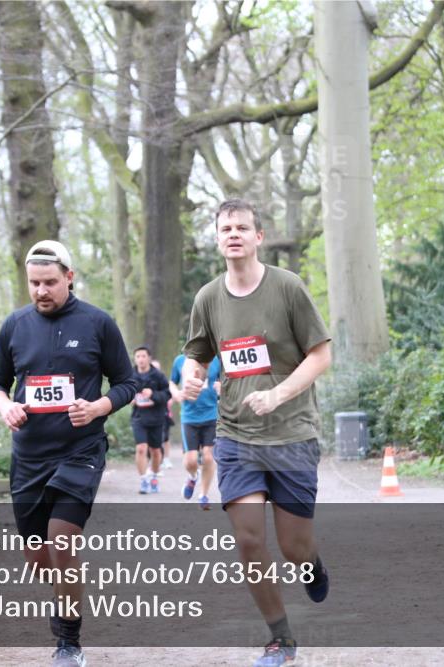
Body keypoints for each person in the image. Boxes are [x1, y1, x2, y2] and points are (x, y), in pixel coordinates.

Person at [181, 199, 332, 667]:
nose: (233, 234)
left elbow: (321, 354)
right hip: (235, 436)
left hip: (291, 434)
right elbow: (198, 354)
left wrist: (278, 395)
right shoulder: (208, 297)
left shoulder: (287, 288)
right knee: (248, 540)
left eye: (243, 227)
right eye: (225, 228)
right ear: (217, 238)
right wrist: (190, 375)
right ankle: (280, 639)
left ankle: (311, 564)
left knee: (293, 547)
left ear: (258, 236)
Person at [0, 240, 137, 667]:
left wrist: (98, 407)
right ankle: (69, 591)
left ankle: (69, 642)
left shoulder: (97, 323)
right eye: (34, 283)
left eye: (50, 282)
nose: (41, 291)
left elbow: (126, 382)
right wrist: (6, 405)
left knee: (62, 539)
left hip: (80, 451)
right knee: (39, 558)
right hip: (30, 457)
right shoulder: (14, 326)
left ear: (69, 278)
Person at [170, 353, 221, 510]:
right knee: (191, 461)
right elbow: (172, 382)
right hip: (189, 417)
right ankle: (193, 477)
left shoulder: (217, 360)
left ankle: (203, 495)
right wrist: (176, 393)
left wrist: (221, 386)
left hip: (211, 415)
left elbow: (225, 380)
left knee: (208, 457)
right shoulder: (180, 360)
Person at [130, 346, 170, 494]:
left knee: (155, 451)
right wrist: (129, 399)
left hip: (156, 418)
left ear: (149, 358)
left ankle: (153, 476)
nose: (140, 359)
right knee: (141, 449)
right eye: (138, 356)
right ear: (135, 359)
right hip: (138, 417)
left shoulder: (158, 375)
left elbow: (167, 394)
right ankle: (144, 480)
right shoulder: (130, 376)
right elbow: (124, 391)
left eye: (143, 356)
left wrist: (153, 394)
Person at [151, 359, 174, 470]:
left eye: (157, 367)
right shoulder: (147, 381)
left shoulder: (164, 381)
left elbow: (171, 396)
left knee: (165, 437)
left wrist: (167, 401)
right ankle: (155, 460)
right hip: (150, 415)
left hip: (165, 413)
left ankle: (166, 459)